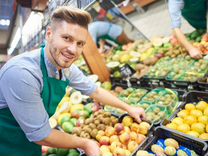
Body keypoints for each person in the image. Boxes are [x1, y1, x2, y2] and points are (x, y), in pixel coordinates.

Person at [0, 6, 145, 156]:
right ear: (49, 34)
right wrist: (85, 143)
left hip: (28, 143)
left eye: (80, 43)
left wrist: (128, 108)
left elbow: (94, 90)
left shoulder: (65, 68)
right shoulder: (23, 73)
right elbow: (40, 135)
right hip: (6, 145)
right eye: (66, 38)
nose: (73, 50)